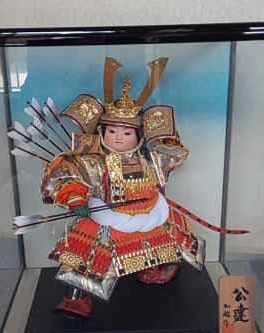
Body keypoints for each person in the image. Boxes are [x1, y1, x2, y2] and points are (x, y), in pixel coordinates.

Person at [40, 57, 205, 318]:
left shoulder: (149, 159)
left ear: (138, 136)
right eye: (112, 131)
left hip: (151, 214)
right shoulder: (93, 160)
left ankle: (151, 270)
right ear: (102, 132)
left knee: (168, 239)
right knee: (87, 254)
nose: (118, 137)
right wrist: (76, 200)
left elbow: (173, 155)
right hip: (106, 218)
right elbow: (70, 176)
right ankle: (77, 298)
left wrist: (167, 139)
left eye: (126, 133)